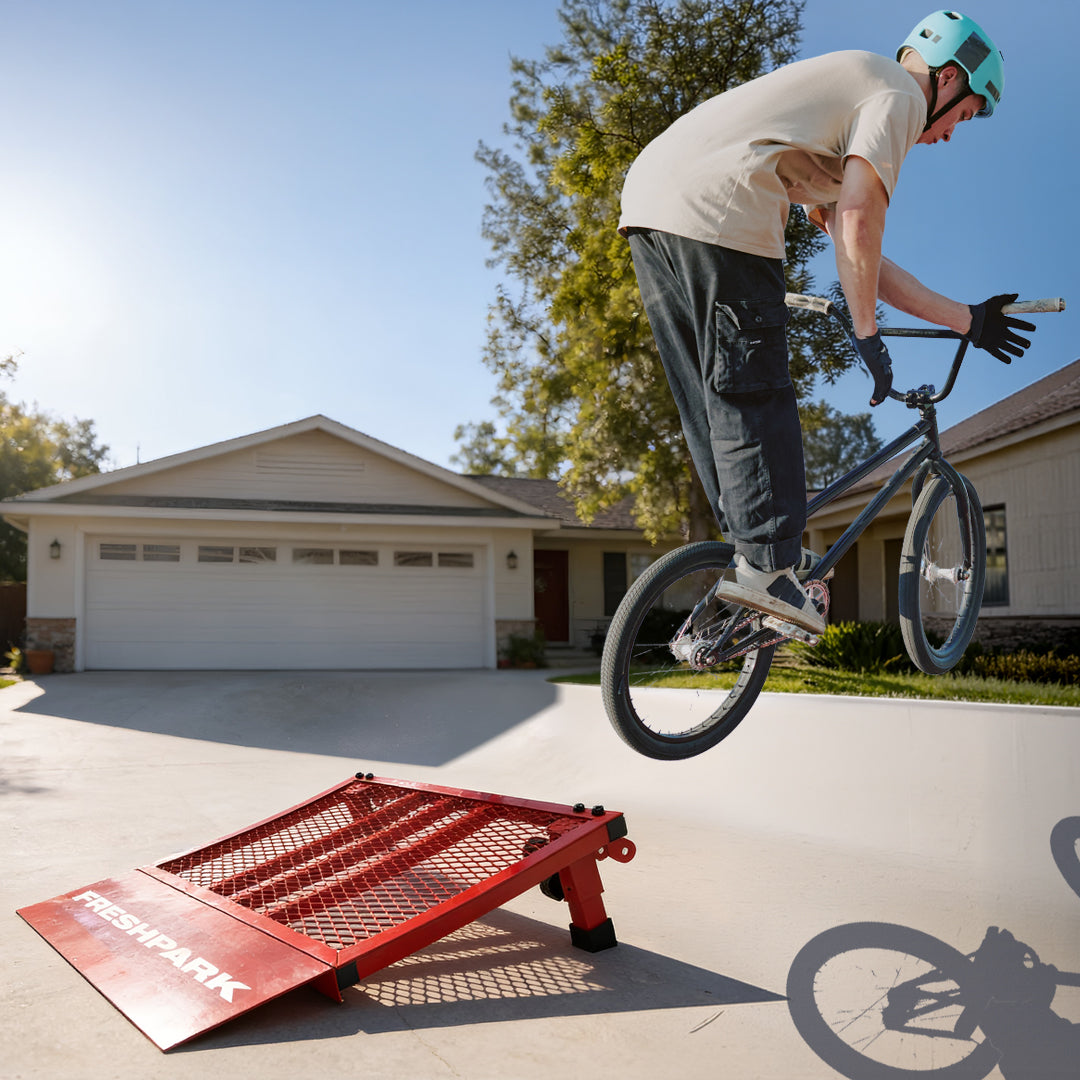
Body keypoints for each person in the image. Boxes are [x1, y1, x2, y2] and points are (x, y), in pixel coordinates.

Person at [618, 10, 1035, 636]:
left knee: (712, 400)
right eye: (966, 115)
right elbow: (862, 221)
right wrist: (867, 335)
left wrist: (965, 319)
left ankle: (752, 556)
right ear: (948, 80)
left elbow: (849, 236)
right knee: (757, 391)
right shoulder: (897, 95)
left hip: (652, 208)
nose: (951, 135)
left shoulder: (844, 100)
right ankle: (770, 570)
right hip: (721, 214)